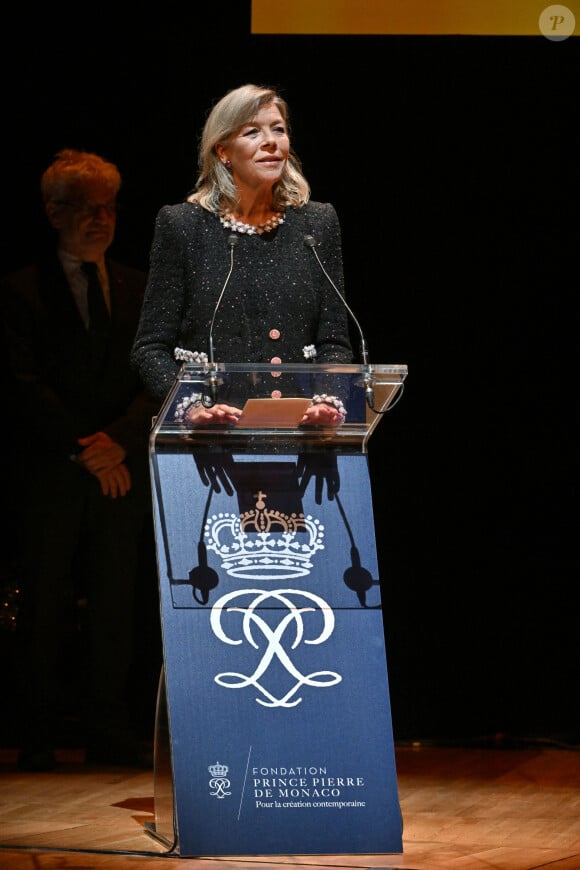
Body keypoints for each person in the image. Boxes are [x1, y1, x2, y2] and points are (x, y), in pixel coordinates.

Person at [1, 149, 159, 771]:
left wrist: (118, 440)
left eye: (111, 207)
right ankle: (36, 732)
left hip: (119, 471)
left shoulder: (138, 287)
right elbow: (20, 385)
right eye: (88, 208)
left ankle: (108, 729)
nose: (103, 219)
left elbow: (157, 377)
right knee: (45, 605)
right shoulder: (18, 291)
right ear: (53, 212)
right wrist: (85, 450)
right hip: (53, 475)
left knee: (116, 602)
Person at [130, 83, 354, 423]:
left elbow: (334, 341)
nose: (271, 141)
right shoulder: (183, 226)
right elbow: (150, 349)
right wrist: (193, 408)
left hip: (299, 434)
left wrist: (328, 401)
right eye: (252, 132)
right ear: (223, 151)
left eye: (278, 129)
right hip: (209, 442)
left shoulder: (317, 224)